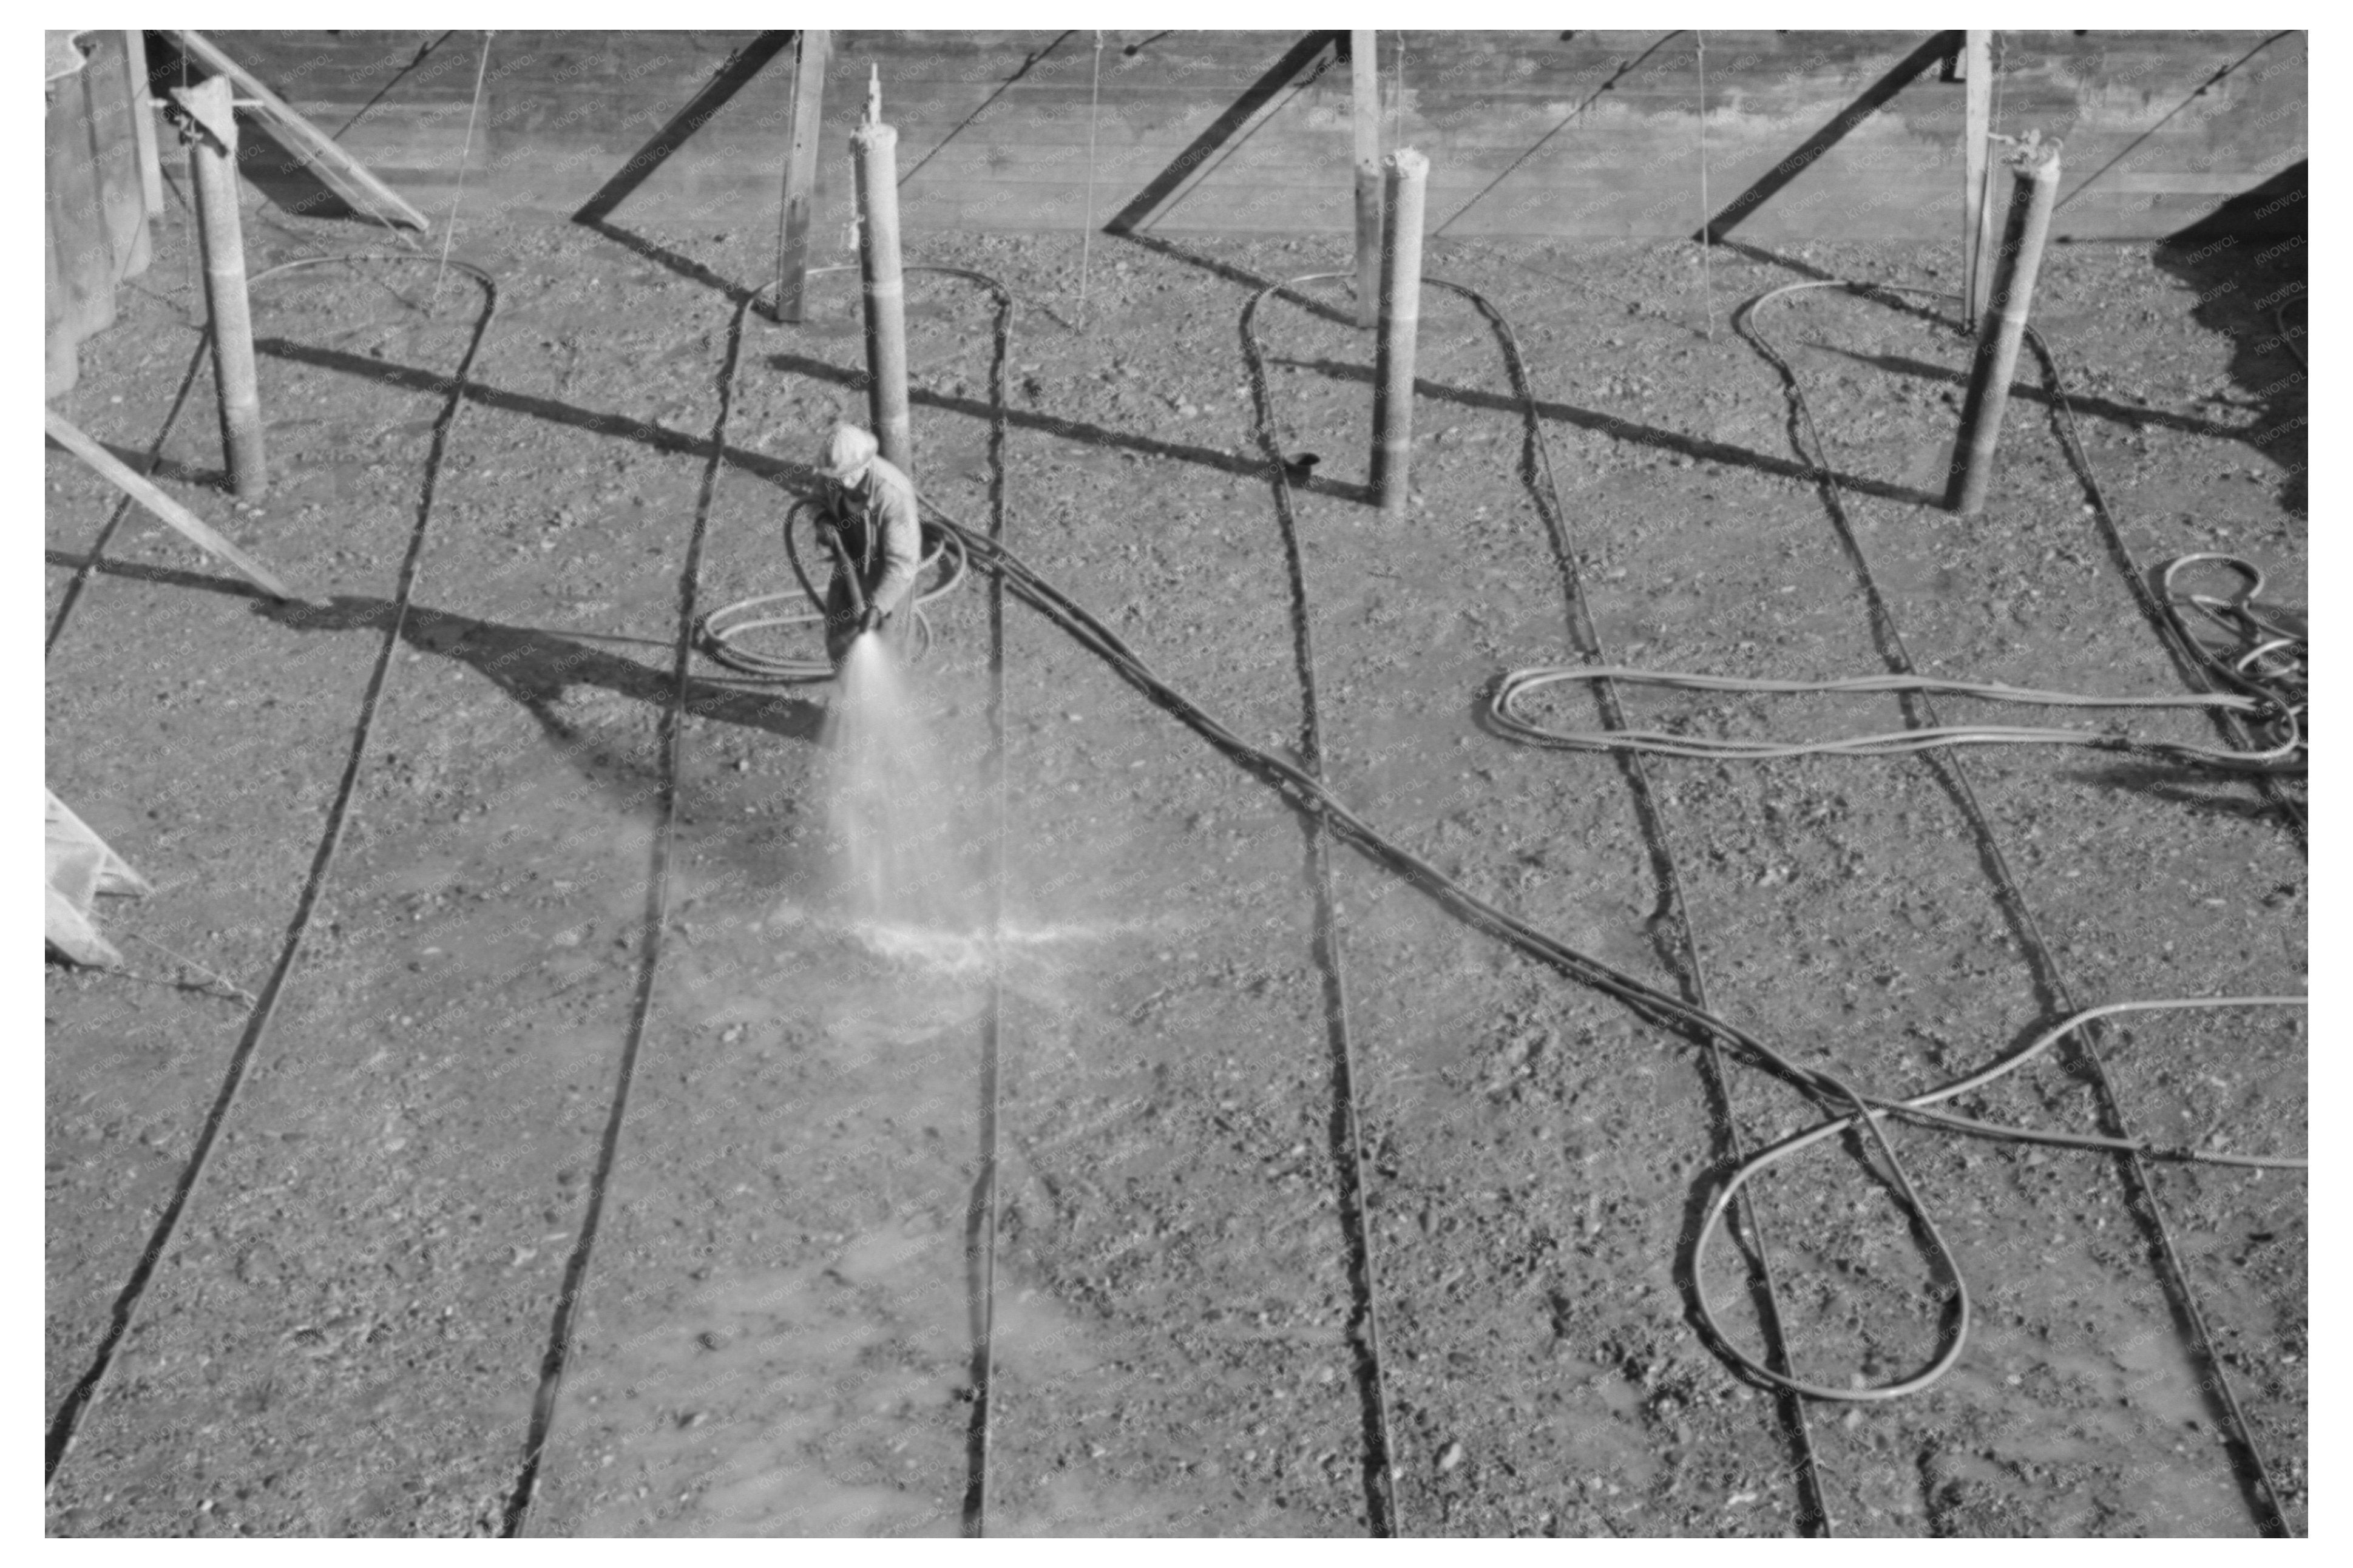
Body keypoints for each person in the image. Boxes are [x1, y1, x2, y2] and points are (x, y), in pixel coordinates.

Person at [811, 422, 922, 669]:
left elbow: (902, 564)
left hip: (888, 572)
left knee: (889, 648)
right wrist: (823, 521)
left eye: (853, 474)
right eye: (840, 477)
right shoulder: (832, 473)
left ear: (867, 463)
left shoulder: (892, 494)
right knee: (840, 638)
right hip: (849, 562)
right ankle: (847, 700)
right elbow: (816, 499)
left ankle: (892, 706)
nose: (847, 483)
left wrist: (878, 606)